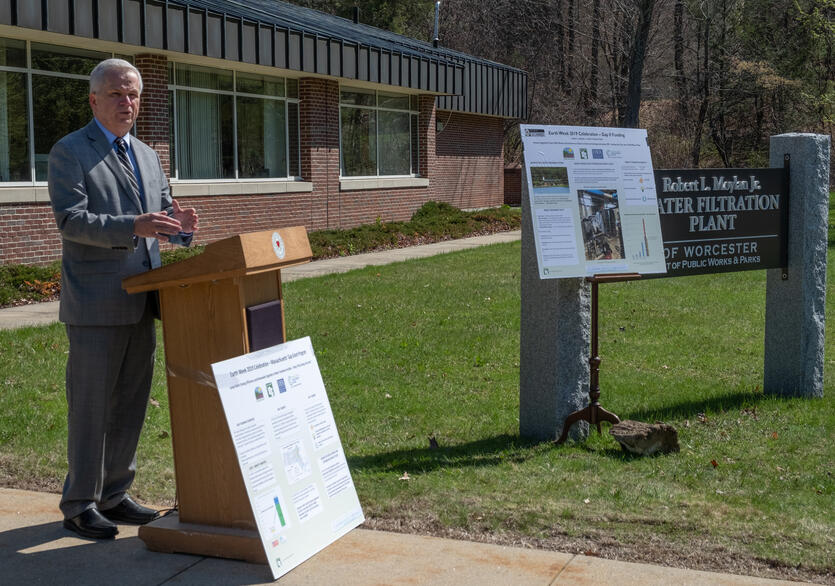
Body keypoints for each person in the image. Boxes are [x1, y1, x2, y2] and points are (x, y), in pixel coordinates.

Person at [48, 58, 198, 540]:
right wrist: (132, 227)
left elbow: (162, 217)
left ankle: (115, 493)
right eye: (116, 94)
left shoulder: (149, 155)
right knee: (91, 406)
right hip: (95, 304)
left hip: (143, 301)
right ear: (94, 100)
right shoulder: (70, 151)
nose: (127, 103)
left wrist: (182, 231)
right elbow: (71, 221)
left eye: (133, 95)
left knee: (131, 403)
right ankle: (79, 502)